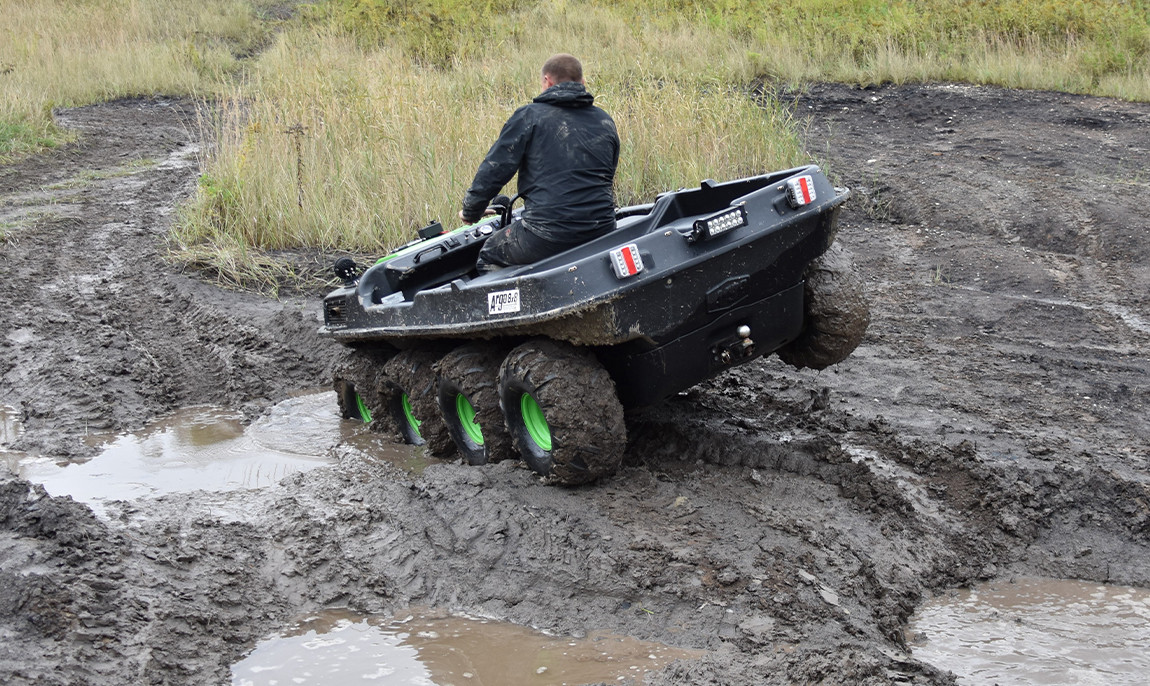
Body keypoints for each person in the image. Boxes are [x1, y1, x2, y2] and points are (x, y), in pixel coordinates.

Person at [460, 54, 620, 272]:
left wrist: (471, 211)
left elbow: (494, 171)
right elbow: (607, 175)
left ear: (547, 81)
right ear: (583, 83)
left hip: (547, 234)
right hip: (602, 228)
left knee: (490, 254)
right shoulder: (604, 120)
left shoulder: (529, 117)